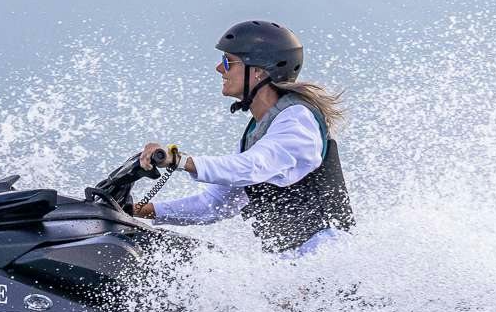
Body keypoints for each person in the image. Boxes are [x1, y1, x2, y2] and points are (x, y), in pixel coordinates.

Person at [130, 20, 353, 255]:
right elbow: (214, 205)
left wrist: (178, 160)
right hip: (293, 267)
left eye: (228, 61)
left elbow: (250, 167)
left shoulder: (297, 120)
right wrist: (139, 210)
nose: (219, 68)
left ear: (258, 71)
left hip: (327, 256)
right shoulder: (258, 132)